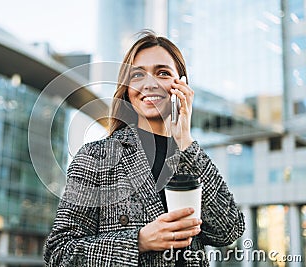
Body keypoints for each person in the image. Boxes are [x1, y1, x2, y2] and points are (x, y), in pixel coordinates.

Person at [44, 30, 245, 266]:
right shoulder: (96, 156)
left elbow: (229, 230)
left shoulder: (191, 156)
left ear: (181, 85)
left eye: (162, 73)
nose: (150, 84)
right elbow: (59, 253)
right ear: (128, 89)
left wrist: (185, 142)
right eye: (138, 75)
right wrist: (139, 241)